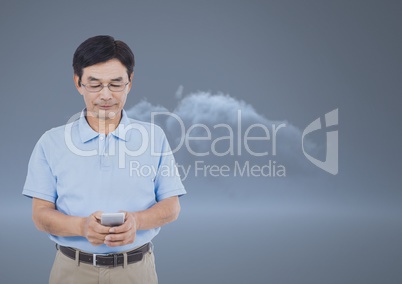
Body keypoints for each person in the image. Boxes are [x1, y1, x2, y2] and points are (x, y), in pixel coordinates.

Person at [22, 35, 186, 284]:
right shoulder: (51, 142)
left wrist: (137, 221)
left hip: (137, 271)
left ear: (130, 82)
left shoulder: (154, 137)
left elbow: (171, 206)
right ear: (78, 83)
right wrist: (82, 227)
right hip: (71, 271)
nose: (106, 95)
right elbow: (40, 215)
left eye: (116, 84)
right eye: (95, 84)